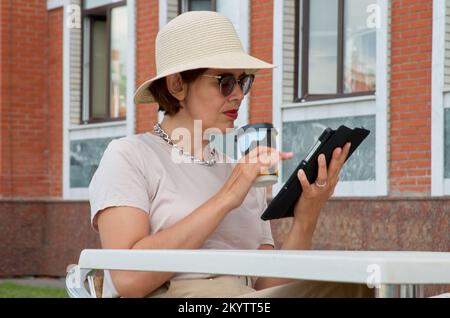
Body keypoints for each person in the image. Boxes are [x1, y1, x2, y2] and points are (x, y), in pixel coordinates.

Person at [89, 11, 373, 298]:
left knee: (358, 288)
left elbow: (265, 287)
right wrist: (227, 197)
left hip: (244, 300)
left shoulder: (241, 172)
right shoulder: (130, 155)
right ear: (177, 85)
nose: (238, 94)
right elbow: (127, 277)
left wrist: (307, 216)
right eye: (225, 81)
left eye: (244, 81)